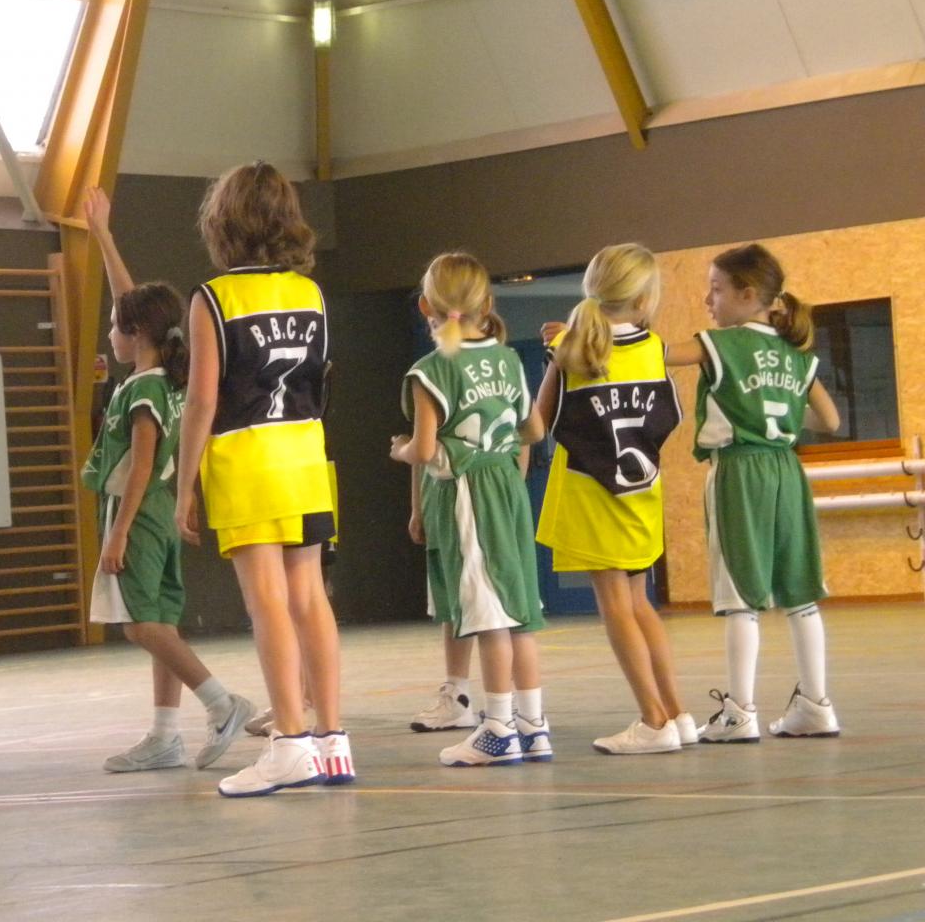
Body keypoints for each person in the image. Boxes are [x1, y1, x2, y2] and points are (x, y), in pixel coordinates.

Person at [175, 161, 353, 797]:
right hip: (307, 451)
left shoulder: (214, 298)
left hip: (247, 460)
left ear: (222, 222)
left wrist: (184, 481)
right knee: (310, 595)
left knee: (268, 601)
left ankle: (290, 743)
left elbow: (200, 401)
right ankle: (332, 740)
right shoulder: (311, 295)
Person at [82, 186, 254, 772]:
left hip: (138, 512)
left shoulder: (142, 388)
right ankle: (163, 736)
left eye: (114, 326)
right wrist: (103, 235)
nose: (109, 333)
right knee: (161, 620)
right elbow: (129, 300)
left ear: (135, 335)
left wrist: (117, 533)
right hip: (160, 509)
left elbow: (144, 464)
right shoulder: (170, 379)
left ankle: (221, 702)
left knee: (140, 624)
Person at [664, 244, 841, 741]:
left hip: (740, 471)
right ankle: (816, 704)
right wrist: (779, 409)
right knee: (800, 594)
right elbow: (830, 421)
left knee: (740, 596)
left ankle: (740, 712)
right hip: (787, 470)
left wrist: (593, 336)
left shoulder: (721, 343)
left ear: (747, 294)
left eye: (716, 289)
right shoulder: (796, 352)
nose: (707, 299)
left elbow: (658, 353)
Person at [534, 243, 697, 755]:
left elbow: (539, 423)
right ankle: (676, 712)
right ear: (645, 300)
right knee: (639, 604)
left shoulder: (573, 352)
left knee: (616, 610)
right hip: (641, 491)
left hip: (591, 489)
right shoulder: (654, 349)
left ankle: (651, 719)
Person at [392, 253, 551, 765]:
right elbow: (534, 431)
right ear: (488, 304)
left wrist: (397, 449)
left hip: (467, 489)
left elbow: (420, 448)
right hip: (507, 484)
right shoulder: (508, 359)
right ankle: (533, 726)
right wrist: (510, 468)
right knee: (520, 612)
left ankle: (498, 730)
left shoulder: (432, 368)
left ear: (425, 307)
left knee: (489, 617)